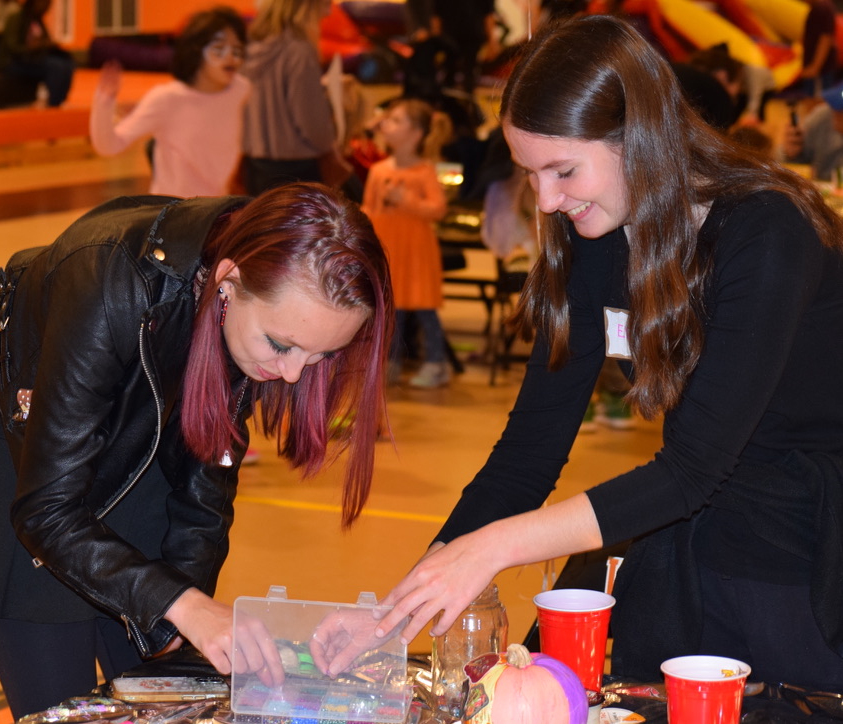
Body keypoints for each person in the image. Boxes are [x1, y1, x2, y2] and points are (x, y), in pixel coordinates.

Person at [314, 15, 843, 690]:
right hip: (683, 534)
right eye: (530, 173)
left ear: (641, 139)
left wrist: (495, 547)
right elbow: (525, 457)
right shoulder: (596, 241)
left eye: (563, 170)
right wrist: (392, 616)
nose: (546, 199)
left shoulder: (767, 233)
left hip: (798, 551)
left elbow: (690, 470)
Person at [0, 183, 394, 718]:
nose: (290, 373)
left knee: (167, 705)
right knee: (62, 705)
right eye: (281, 345)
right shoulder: (104, 275)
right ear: (228, 282)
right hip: (33, 490)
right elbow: (48, 509)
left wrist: (183, 604)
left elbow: (206, 486)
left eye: (321, 354)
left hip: (142, 477)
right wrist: (183, 605)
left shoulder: (262, 302)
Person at [90, 7, 250, 198]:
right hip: (173, 214)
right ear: (196, 51)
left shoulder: (242, 91)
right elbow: (110, 146)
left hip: (215, 212)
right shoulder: (167, 99)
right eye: (219, 49)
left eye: (237, 50)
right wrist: (104, 103)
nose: (230, 57)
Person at [363, 99, 452, 388]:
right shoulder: (378, 170)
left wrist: (407, 201)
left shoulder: (424, 171)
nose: (387, 124)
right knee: (391, 310)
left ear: (415, 134)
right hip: (389, 250)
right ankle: (390, 363)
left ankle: (437, 363)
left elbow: (437, 209)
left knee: (424, 309)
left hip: (416, 252)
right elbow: (370, 210)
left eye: (396, 120)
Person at [241, 0, 344, 195]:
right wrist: (330, 142)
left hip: (255, 163)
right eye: (325, 3)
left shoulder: (254, 44)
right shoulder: (300, 50)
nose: (329, 11)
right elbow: (310, 120)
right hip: (297, 167)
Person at [0, 0, 75, 107]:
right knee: (56, 66)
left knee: (67, 63)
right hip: (13, 62)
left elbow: (44, 42)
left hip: (33, 59)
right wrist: (32, 47)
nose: (47, 7)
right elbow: (12, 47)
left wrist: (47, 45)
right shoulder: (17, 17)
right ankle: (54, 102)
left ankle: (59, 100)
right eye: (45, 3)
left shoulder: (37, 20)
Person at [783, 79, 843, 181]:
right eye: (834, 107)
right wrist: (791, 154)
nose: (835, 114)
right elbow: (794, 165)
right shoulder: (822, 117)